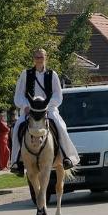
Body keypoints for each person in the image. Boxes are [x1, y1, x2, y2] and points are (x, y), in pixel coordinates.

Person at [10, 48, 79, 177]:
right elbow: (18, 94)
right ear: (33, 58)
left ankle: (66, 157)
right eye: (37, 57)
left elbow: (58, 95)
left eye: (41, 57)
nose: (39, 60)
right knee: (17, 127)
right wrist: (25, 105)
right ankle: (16, 161)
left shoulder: (52, 75)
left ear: (45, 58)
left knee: (60, 126)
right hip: (30, 109)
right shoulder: (26, 74)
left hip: (48, 109)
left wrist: (46, 105)